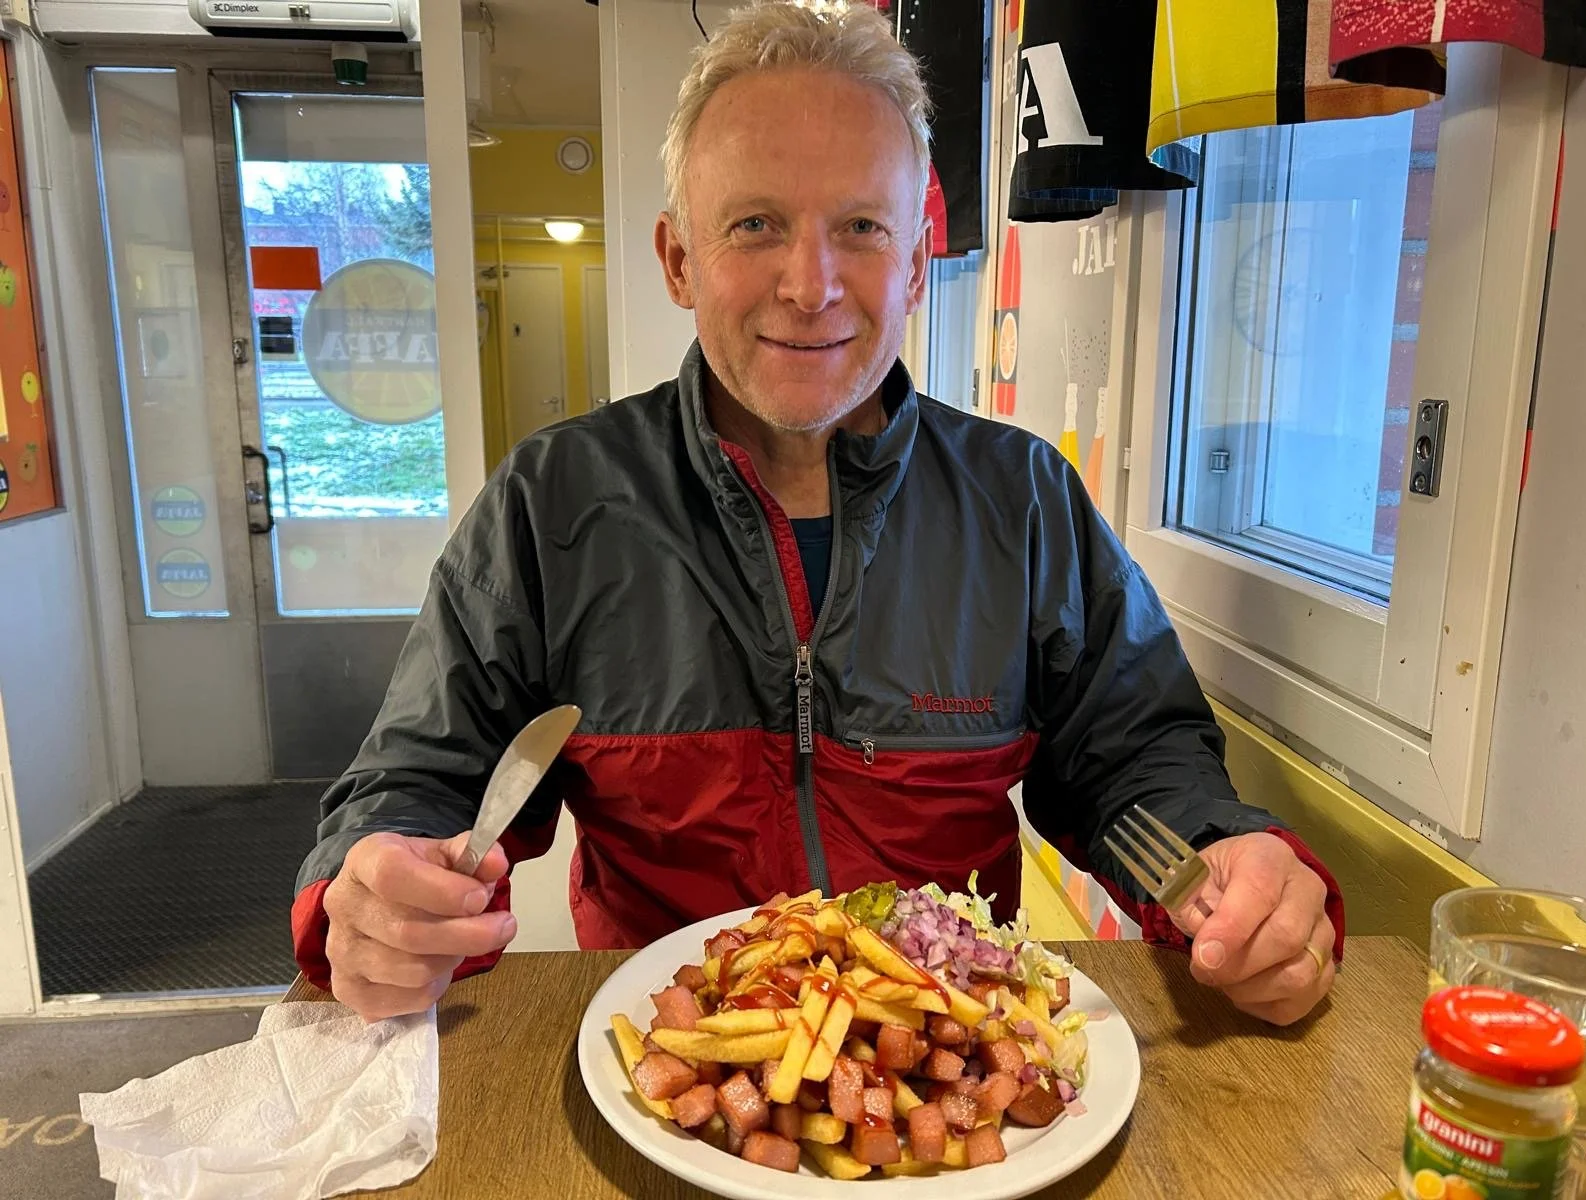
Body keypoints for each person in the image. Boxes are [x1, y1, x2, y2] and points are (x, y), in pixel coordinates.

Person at [292, 0, 1343, 1028]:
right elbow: (421, 783)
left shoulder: (1023, 501)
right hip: (666, 1056)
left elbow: (1131, 755)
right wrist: (370, 888)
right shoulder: (548, 504)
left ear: (917, 265)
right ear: (677, 260)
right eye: (755, 225)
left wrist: (1219, 869)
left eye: (860, 228)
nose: (811, 284)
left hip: (951, 1062)